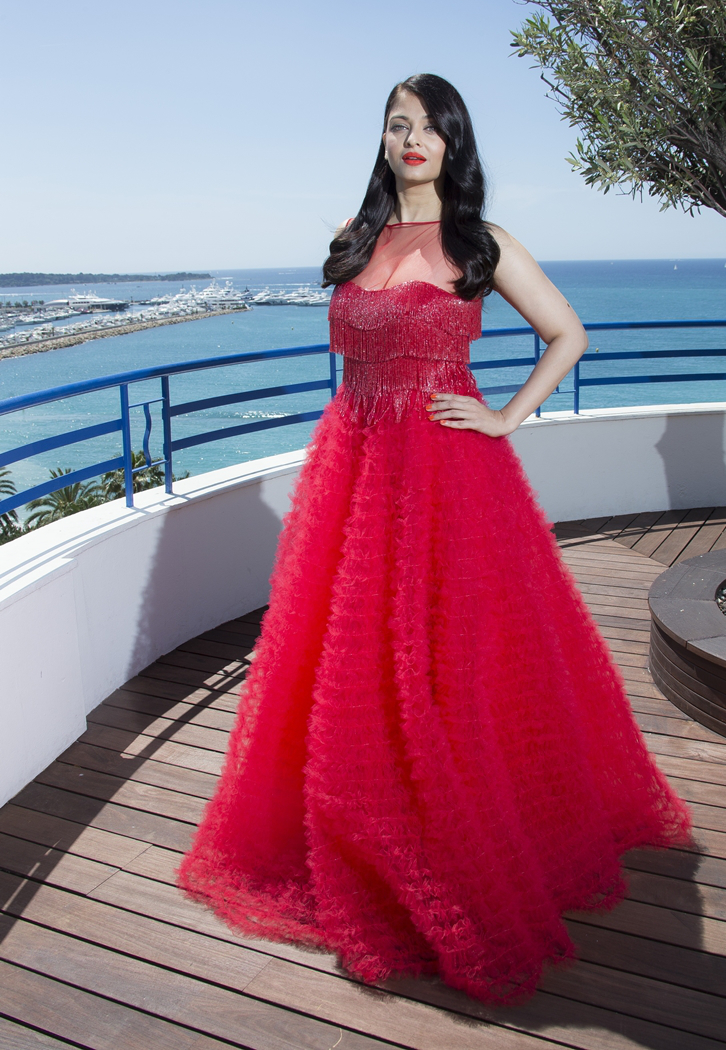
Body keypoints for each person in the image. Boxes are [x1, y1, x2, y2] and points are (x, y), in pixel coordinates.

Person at [177, 73, 691, 1006]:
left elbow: (566, 334)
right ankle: (356, 826)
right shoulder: (352, 237)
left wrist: (504, 418)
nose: (412, 139)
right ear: (382, 138)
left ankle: (460, 825)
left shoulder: (481, 243)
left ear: (454, 141)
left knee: (448, 660)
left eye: (430, 126)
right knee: (347, 660)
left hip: (448, 473)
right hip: (357, 465)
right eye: (396, 123)